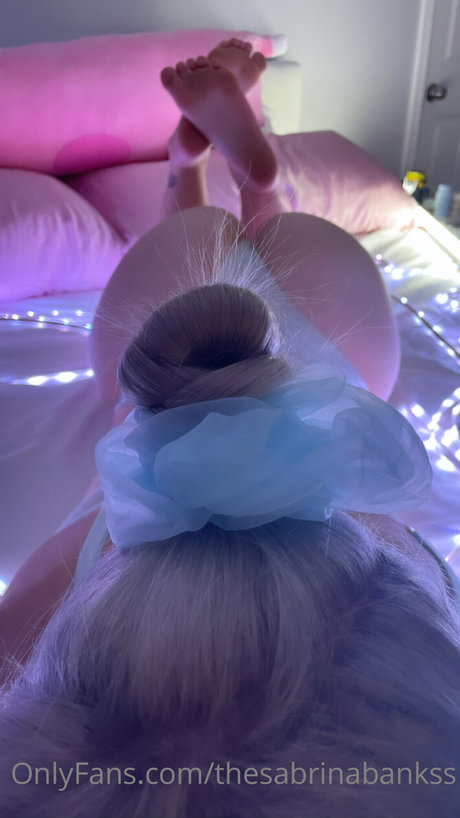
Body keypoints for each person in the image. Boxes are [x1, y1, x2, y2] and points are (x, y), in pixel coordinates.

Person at [0, 40, 459, 818]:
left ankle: (227, 177)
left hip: (330, 338)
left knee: (226, 307)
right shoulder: (28, 666)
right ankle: (217, 174)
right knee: (172, 356)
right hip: (186, 347)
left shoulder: (430, 638)